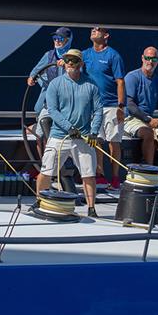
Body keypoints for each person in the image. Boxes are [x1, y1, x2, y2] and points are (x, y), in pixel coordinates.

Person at [36, 49, 102, 217]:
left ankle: (91, 209)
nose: (70, 63)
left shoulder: (91, 85)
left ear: (81, 64)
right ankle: (39, 201)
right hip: (59, 136)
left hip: (84, 137)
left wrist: (94, 132)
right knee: (46, 172)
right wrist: (69, 128)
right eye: (67, 60)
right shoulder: (55, 84)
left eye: (73, 60)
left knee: (89, 174)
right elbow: (53, 110)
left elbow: (98, 110)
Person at [82, 27, 125, 189]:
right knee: (97, 141)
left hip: (112, 105)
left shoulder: (113, 55)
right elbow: (72, 60)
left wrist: (121, 106)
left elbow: (120, 81)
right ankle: (99, 175)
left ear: (106, 35)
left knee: (114, 142)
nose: (94, 31)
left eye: (98, 29)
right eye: (92, 29)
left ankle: (115, 178)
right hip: (93, 106)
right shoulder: (85, 54)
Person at [123, 47, 158, 177]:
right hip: (132, 119)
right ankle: (149, 172)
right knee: (148, 134)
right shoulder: (132, 77)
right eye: (147, 58)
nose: (150, 61)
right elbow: (129, 105)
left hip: (151, 120)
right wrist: (148, 119)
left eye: (153, 58)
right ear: (142, 58)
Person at [26, 27, 71, 156]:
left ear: (67, 40)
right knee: (40, 135)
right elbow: (35, 71)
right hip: (49, 103)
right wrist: (31, 78)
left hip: (66, 105)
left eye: (60, 39)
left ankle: (61, 169)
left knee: (60, 136)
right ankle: (44, 166)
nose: (56, 41)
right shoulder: (49, 55)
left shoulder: (73, 55)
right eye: (55, 38)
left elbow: (80, 73)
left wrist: (68, 64)